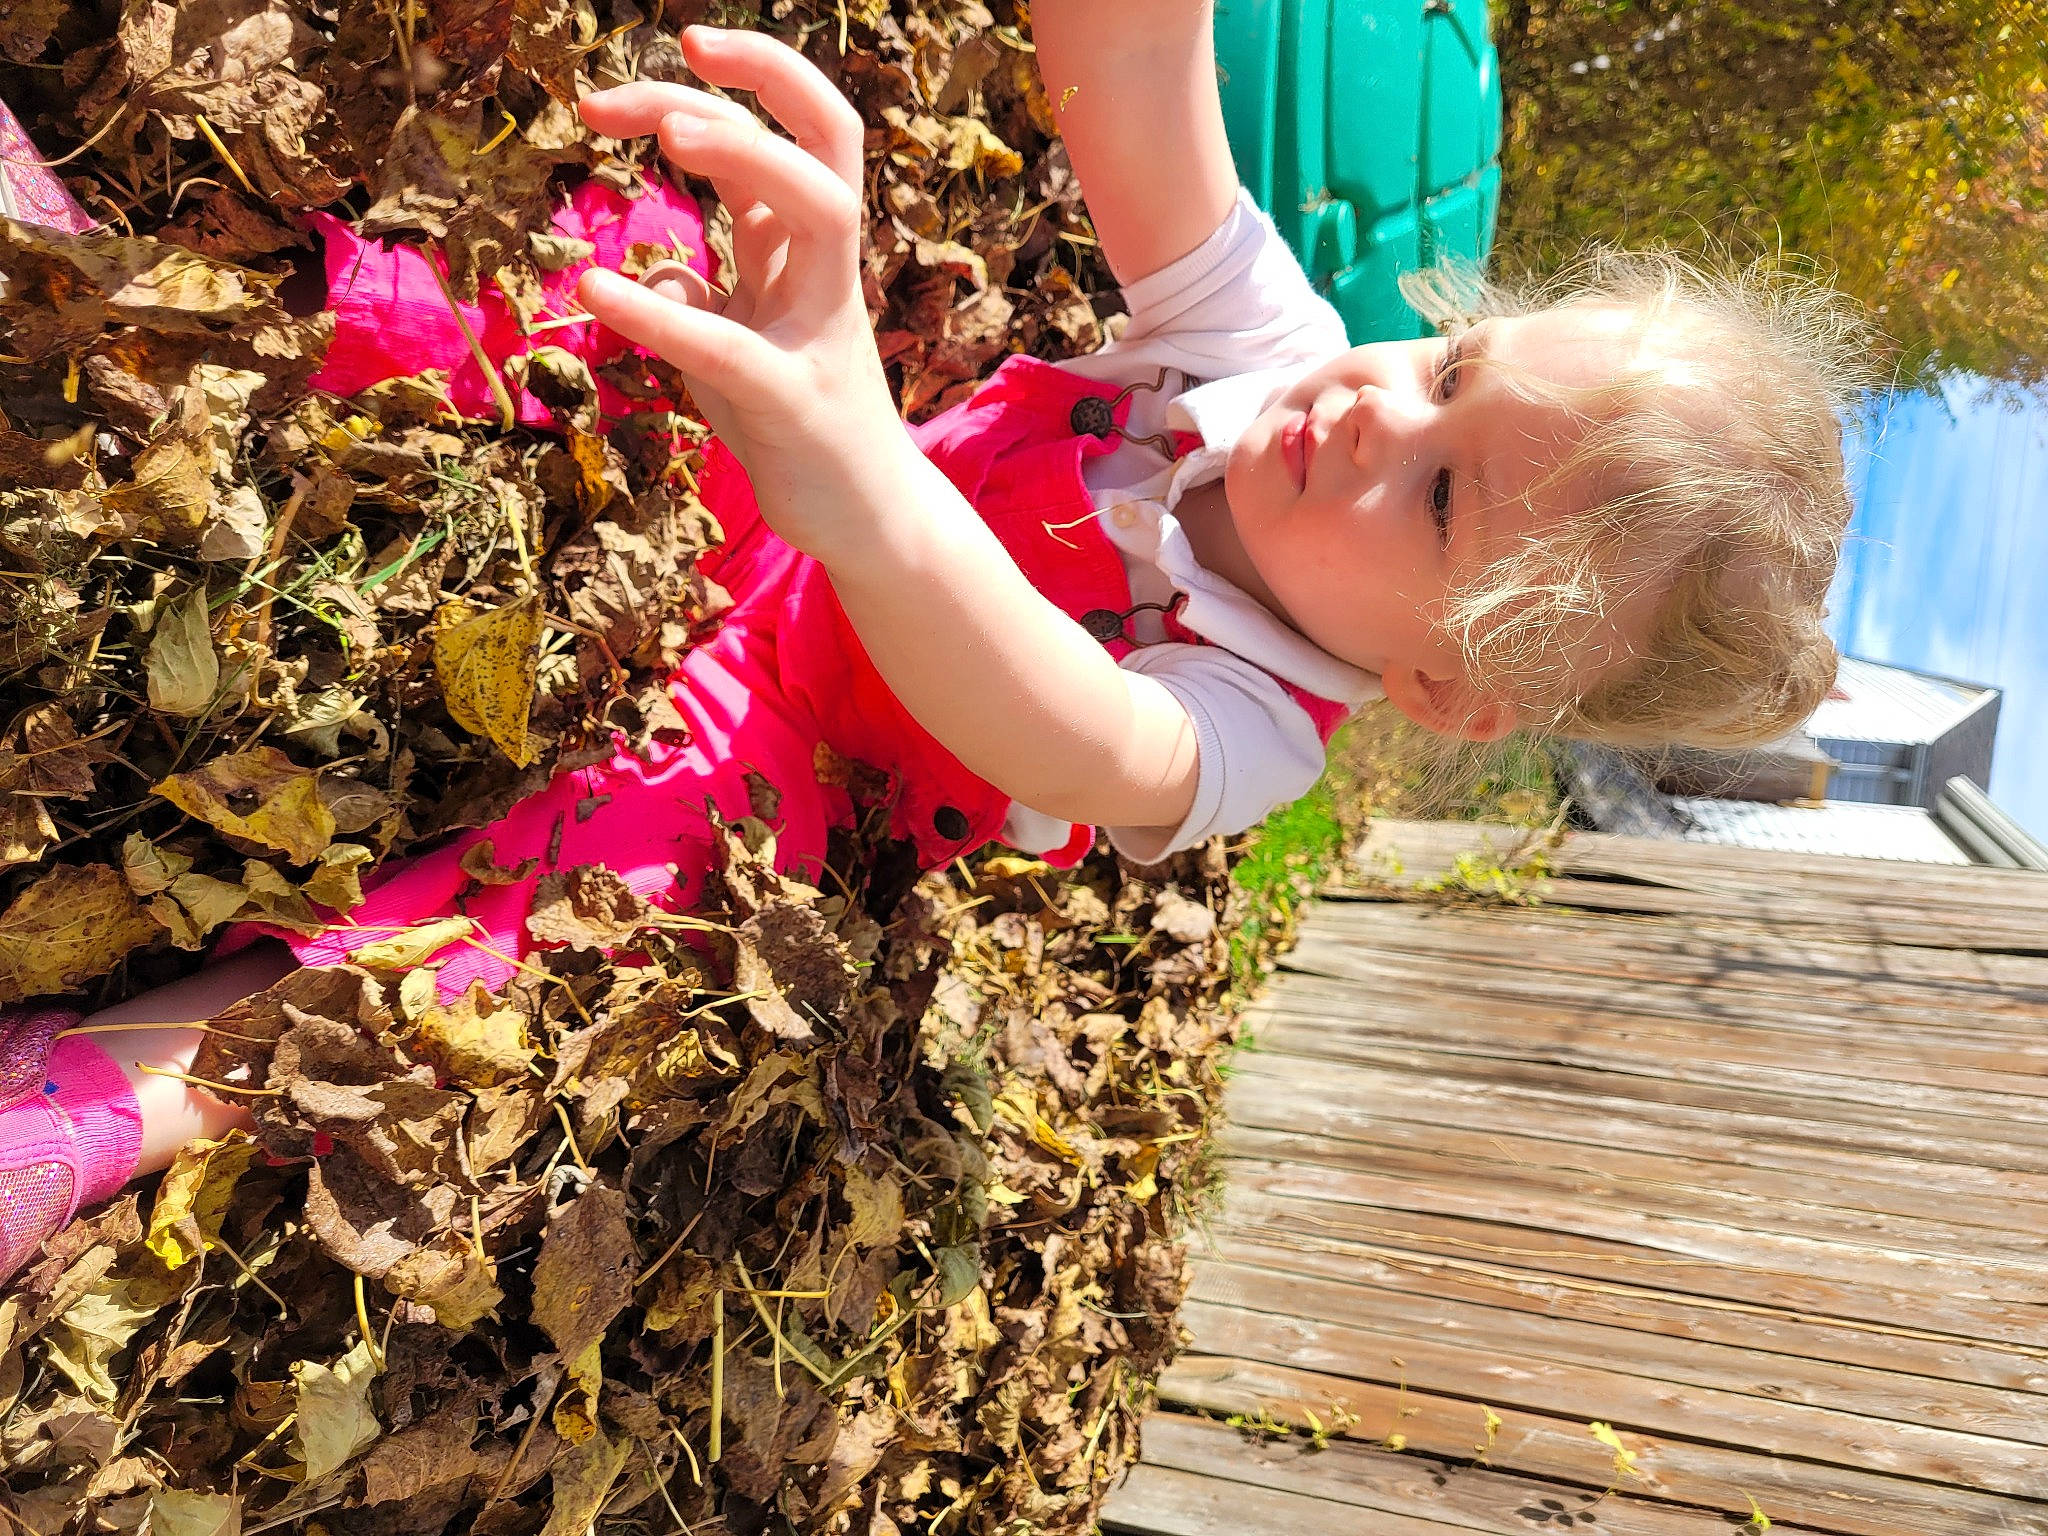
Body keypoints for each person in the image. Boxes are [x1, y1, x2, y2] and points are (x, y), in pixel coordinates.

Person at [0, 2, 1873, 1284]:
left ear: (1447, 691)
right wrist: (825, 421)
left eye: (1449, 496)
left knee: (533, 912)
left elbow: (1061, 729)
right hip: (796, 470)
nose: (1381, 410)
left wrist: (854, 463)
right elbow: (1135, 93)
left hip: (789, 726)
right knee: (596, 286)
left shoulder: (1256, 734)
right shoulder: (1281, 357)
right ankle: (149, 300)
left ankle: (111, 1096)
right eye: (1454, 365)